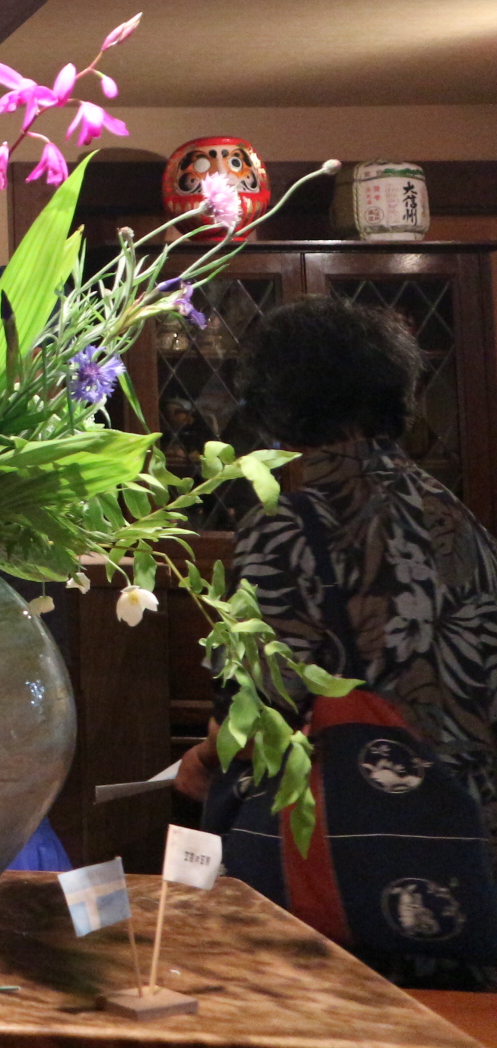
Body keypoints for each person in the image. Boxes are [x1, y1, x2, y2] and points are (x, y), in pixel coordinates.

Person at [176, 296, 497, 979]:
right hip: (469, 857)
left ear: (274, 404)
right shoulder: (461, 522)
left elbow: (255, 718)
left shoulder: (291, 526)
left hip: (350, 880)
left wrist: (202, 760)